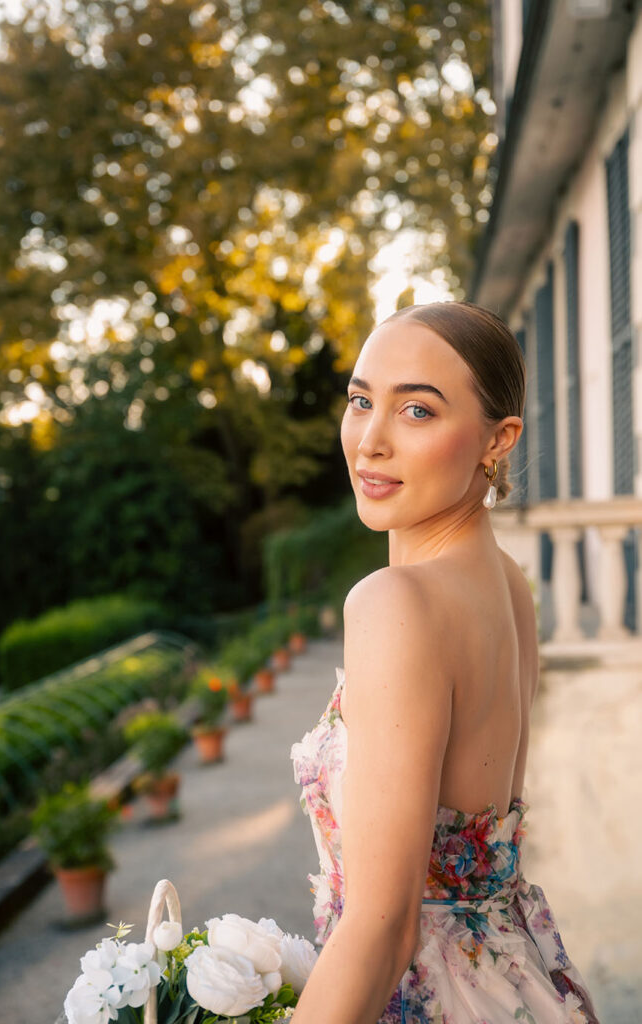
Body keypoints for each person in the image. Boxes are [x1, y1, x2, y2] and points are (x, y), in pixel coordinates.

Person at [289, 301, 600, 1024]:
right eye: (362, 401)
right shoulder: (508, 585)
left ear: (499, 439)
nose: (370, 441)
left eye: (417, 412)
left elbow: (382, 926)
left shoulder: (394, 602)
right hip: (518, 980)